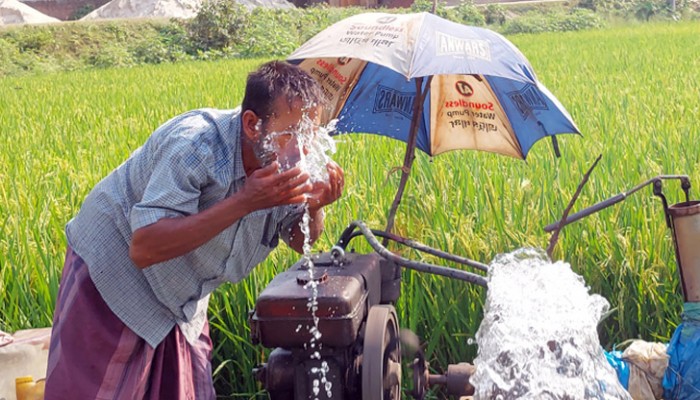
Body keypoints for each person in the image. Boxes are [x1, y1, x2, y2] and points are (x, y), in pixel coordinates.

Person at [44, 60, 344, 400]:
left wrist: (315, 205)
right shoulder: (196, 145)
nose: (302, 150)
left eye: (310, 136)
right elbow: (145, 247)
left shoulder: (286, 162)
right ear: (252, 125)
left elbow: (299, 240)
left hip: (182, 296)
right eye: (291, 134)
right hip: (114, 276)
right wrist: (247, 201)